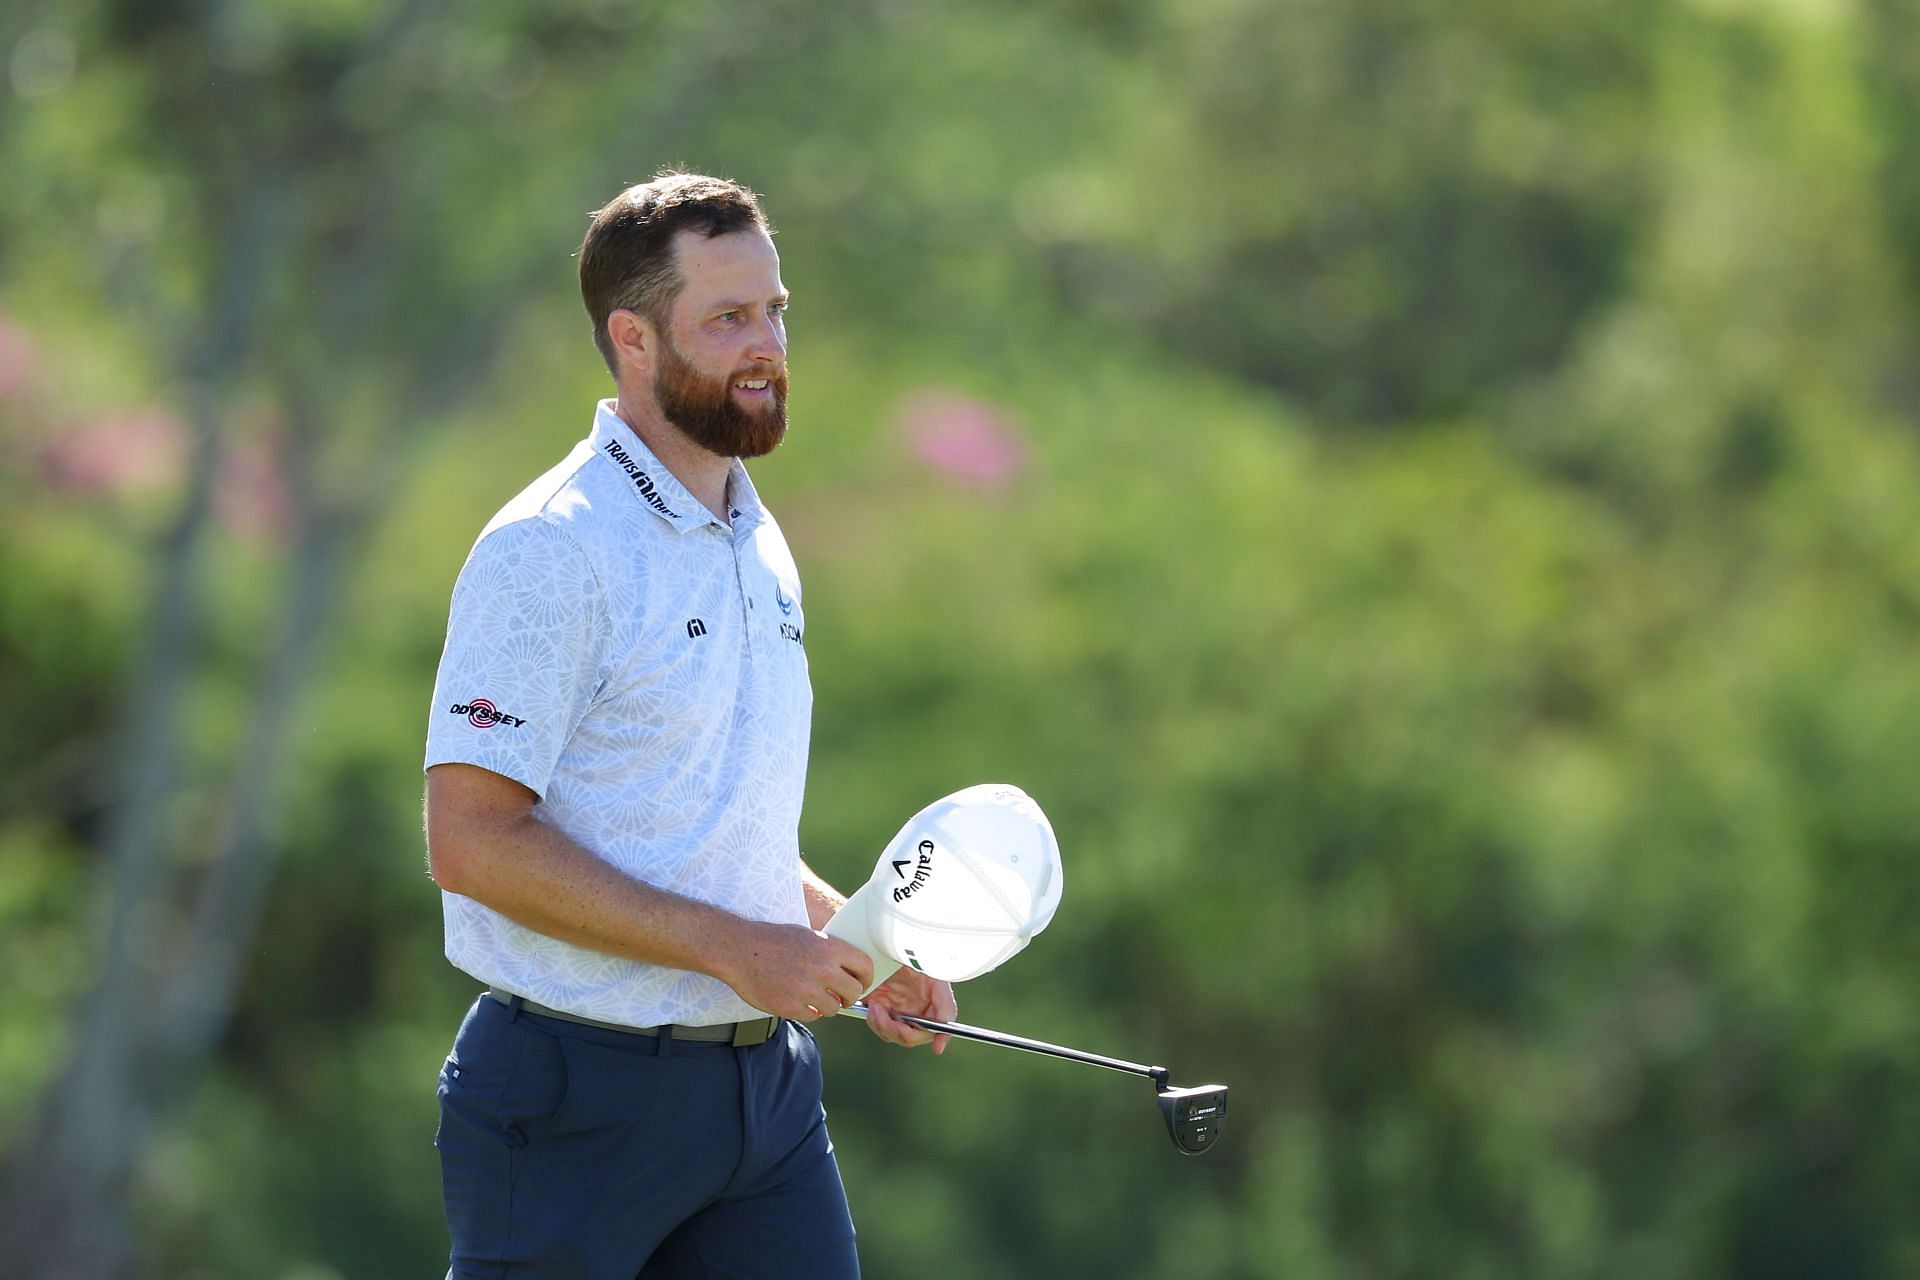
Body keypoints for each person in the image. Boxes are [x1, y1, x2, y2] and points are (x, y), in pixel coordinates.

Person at [421, 171, 957, 1280]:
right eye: (727, 318)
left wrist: (856, 944)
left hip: (765, 1099)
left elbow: (714, 833)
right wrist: (734, 946)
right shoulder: (549, 548)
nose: (767, 344)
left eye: (775, 310)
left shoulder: (755, 535)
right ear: (633, 338)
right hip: (570, 1101)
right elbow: (469, 841)